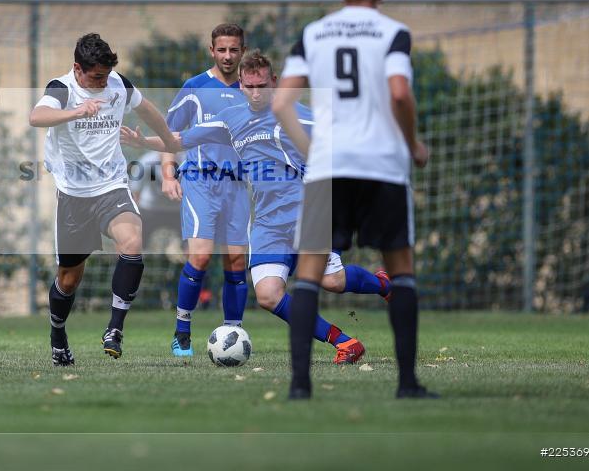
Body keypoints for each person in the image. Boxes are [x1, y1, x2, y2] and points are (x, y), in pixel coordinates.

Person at [122, 50, 391, 364]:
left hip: (306, 216)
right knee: (267, 296)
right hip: (266, 223)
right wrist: (144, 143)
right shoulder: (231, 118)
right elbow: (180, 139)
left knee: (333, 281)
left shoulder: (301, 117)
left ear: (273, 82)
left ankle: (383, 284)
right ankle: (344, 342)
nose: (255, 92)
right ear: (241, 83)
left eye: (261, 85)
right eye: (249, 86)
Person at [272, 0, 437, 399]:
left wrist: (312, 151)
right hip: (381, 165)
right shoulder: (393, 32)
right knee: (401, 272)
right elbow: (399, 93)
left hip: (329, 168)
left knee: (307, 275)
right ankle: (407, 384)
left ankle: (300, 386)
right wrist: (413, 145)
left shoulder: (314, 33)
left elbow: (280, 103)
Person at [29, 33, 180, 366]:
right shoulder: (62, 88)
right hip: (74, 195)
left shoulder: (118, 84)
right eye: (96, 77)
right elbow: (36, 117)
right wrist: (76, 112)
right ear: (77, 69)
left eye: (106, 76)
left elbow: (150, 111)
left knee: (132, 242)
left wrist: (168, 141)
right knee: (68, 279)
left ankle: (114, 329)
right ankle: (57, 334)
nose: (102, 83)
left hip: (111, 186)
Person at [161, 24, 251, 357]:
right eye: (222, 50)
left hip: (237, 185)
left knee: (236, 261)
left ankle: (234, 332)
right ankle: (182, 330)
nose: (228, 56)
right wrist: (169, 174)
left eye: (234, 50)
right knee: (199, 257)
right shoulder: (195, 87)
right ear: (212, 51)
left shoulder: (251, 90)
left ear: (242, 51)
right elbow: (169, 132)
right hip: (200, 180)